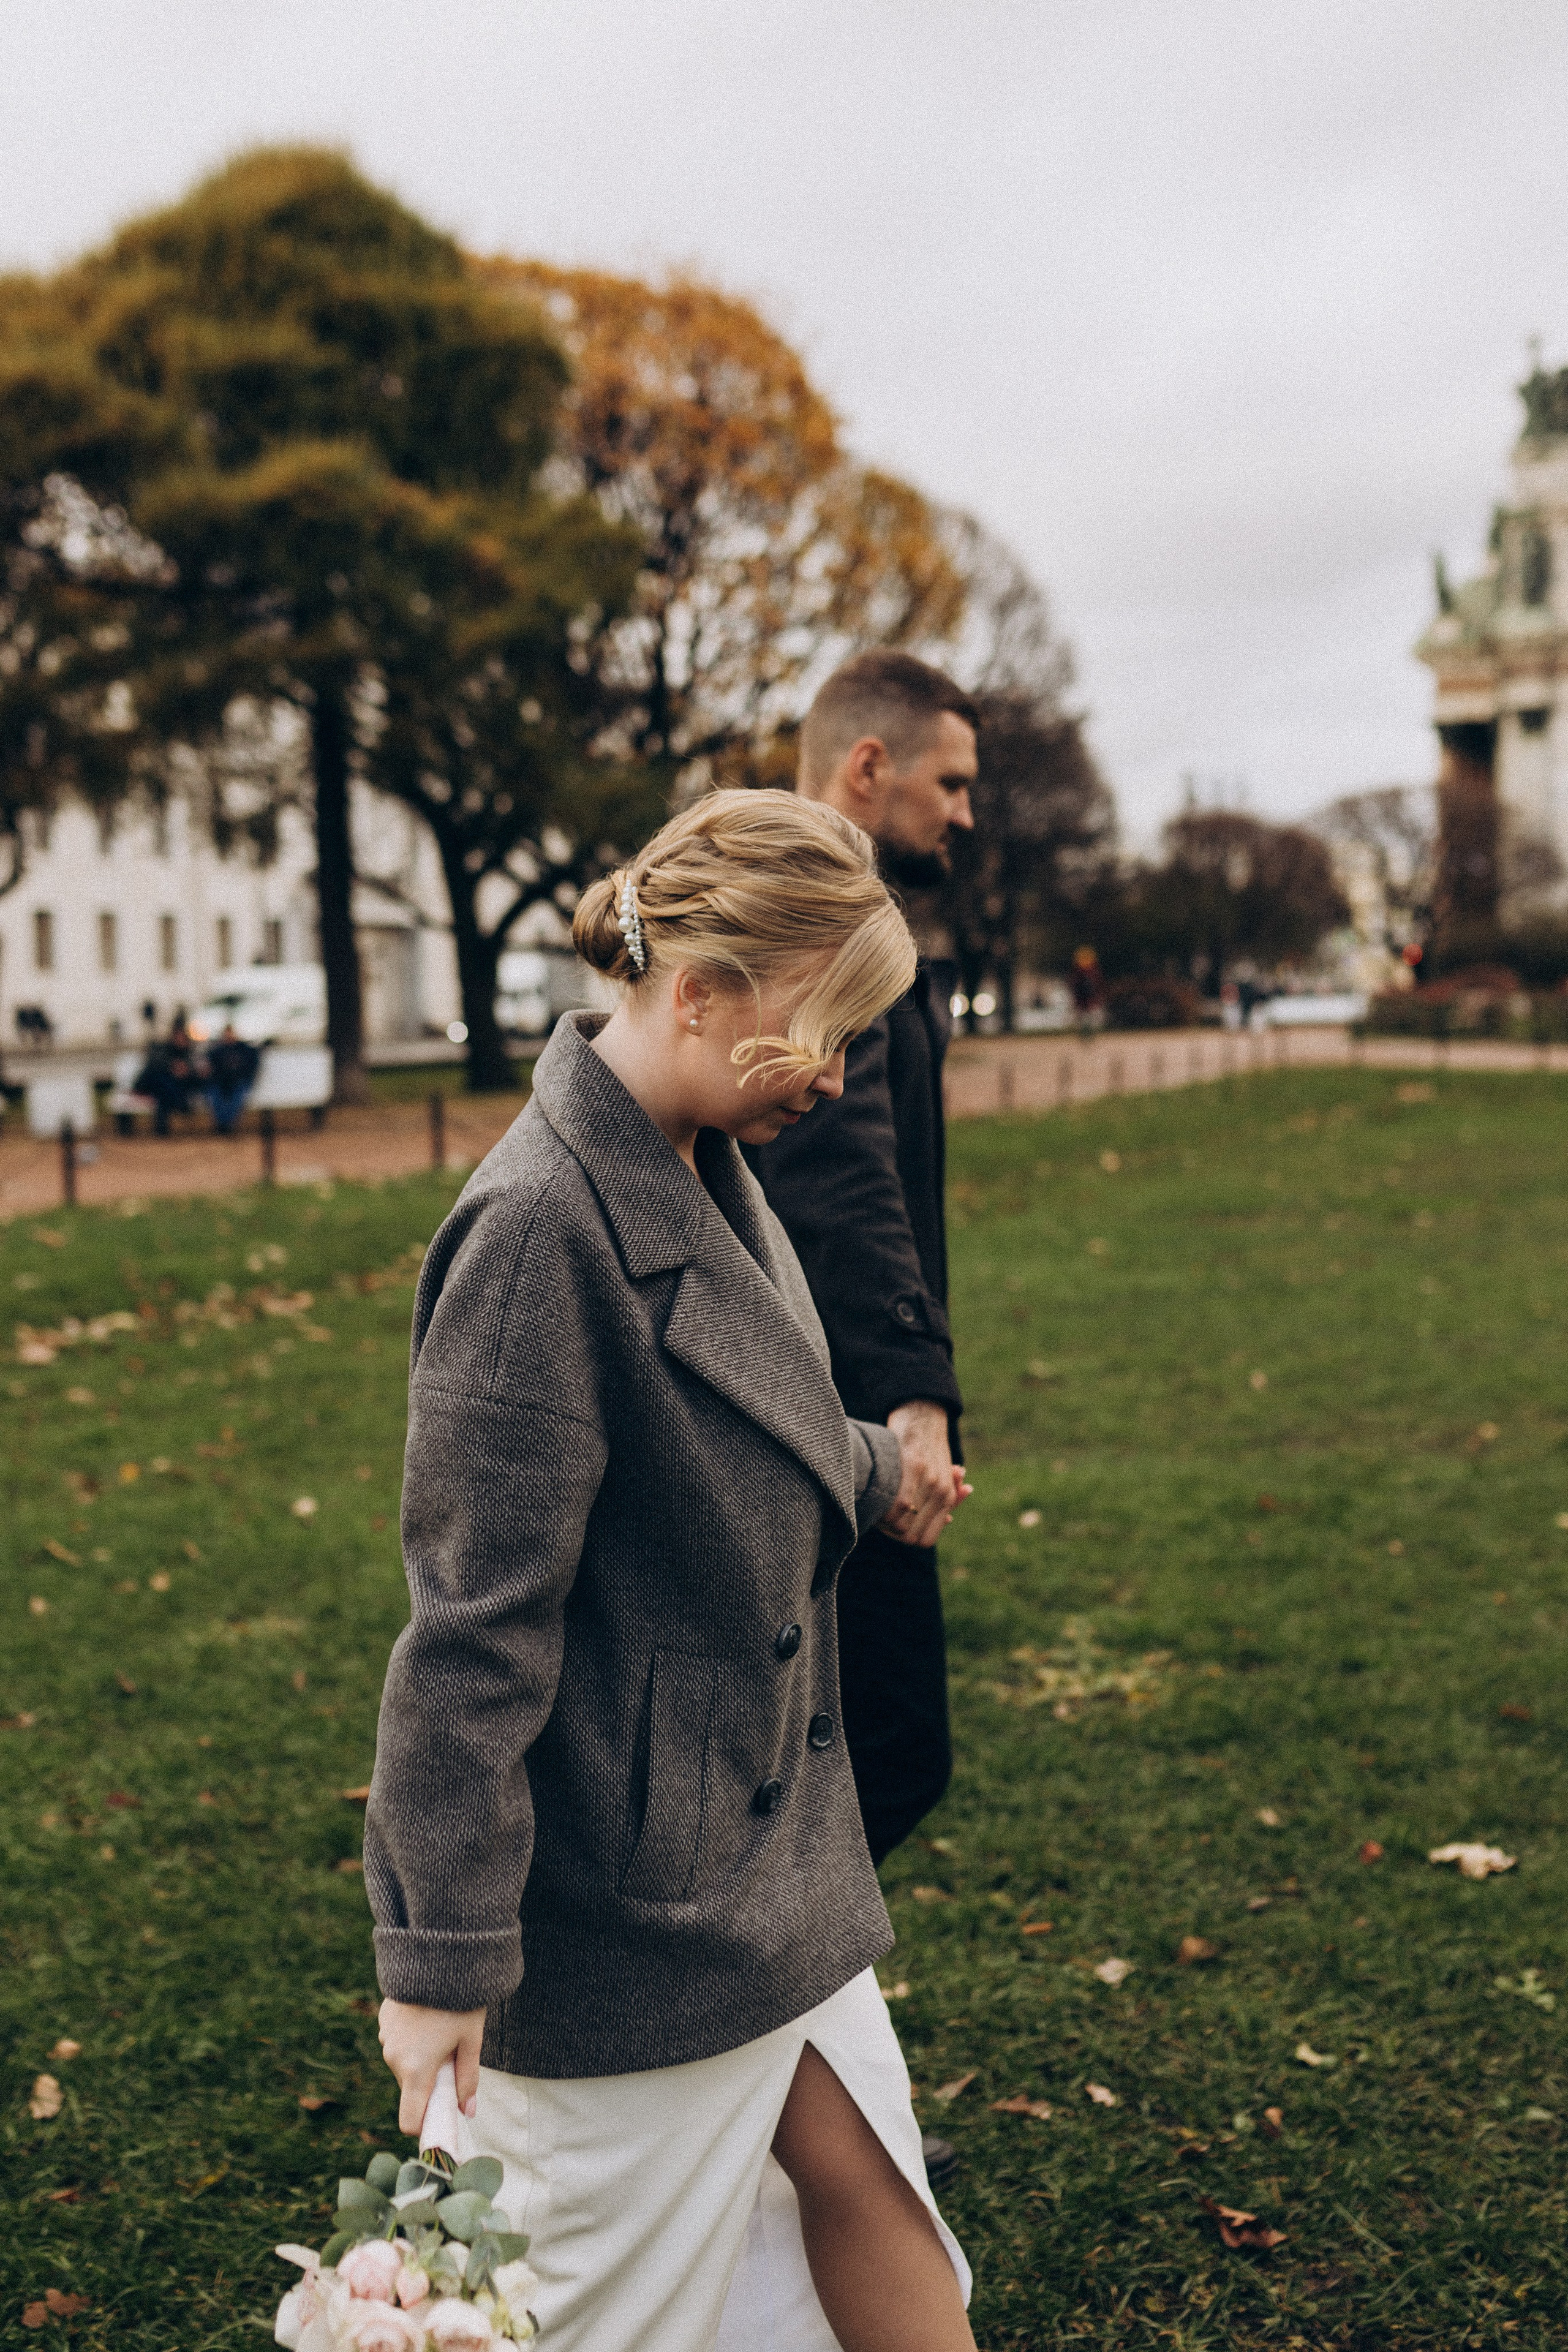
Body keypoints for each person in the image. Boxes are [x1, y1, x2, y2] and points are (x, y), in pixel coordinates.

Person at [366, 790, 974, 2352]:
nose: (837, 1079)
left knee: (868, 2189)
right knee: (570, 2318)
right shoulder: (531, 1235)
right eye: (818, 1035)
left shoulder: (693, 1151)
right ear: (695, 992)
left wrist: (869, 1466)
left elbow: (728, 1417)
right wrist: (437, 1955)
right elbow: (470, 1635)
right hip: (637, 1911)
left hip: (765, 1858)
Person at [746, 651, 979, 1876]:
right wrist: (909, 1399)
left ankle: (753, 2007)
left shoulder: (822, 911)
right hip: (827, 1403)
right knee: (889, 1745)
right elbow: (840, 1169)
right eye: (949, 780)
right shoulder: (822, 917)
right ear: (868, 765)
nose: (964, 810)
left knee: (827, 1747)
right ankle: (723, 1983)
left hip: (802, 1389)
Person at [133, 1013, 199, 1137]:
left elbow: (195, 1073)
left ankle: (162, 1128)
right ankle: (182, 1106)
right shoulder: (163, 1050)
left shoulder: (189, 1054)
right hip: (156, 1085)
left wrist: (185, 1071)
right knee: (164, 1086)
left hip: (170, 1089)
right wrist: (173, 1068)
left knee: (164, 1096)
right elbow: (154, 1068)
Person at [204, 1023, 260, 1134]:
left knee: (238, 1096)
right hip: (221, 1083)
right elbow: (209, 1068)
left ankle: (226, 1125)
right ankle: (223, 1125)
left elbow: (252, 1066)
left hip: (239, 1082)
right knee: (215, 1096)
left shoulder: (245, 1050)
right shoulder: (217, 1051)